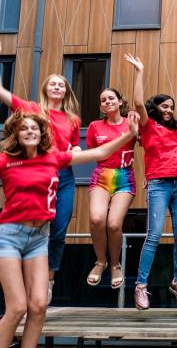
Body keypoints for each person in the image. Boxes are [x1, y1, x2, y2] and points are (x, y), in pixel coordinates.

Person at [0, 110, 137, 348]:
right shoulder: (6, 160)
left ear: (42, 133)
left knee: (39, 305)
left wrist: (130, 135)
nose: (30, 131)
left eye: (34, 128)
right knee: (18, 306)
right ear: (16, 134)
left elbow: (101, 152)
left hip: (39, 238)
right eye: (24, 128)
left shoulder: (53, 158)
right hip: (10, 235)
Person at [125, 53, 177, 310]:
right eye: (165, 106)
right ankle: (140, 286)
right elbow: (138, 101)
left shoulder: (173, 130)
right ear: (156, 109)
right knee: (154, 235)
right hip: (159, 184)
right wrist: (140, 71)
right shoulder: (148, 126)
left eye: (172, 106)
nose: (169, 110)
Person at [0, 47, 80, 303]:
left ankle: (49, 280)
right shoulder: (33, 109)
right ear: (46, 88)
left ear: (66, 91)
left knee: (58, 230)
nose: (57, 87)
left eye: (61, 85)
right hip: (36, 176)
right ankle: (29, 284)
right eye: (53, 84)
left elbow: (75, 145)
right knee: (37, 227)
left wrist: (76, 149)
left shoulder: (73, 118)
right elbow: (6, 97)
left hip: (64, 176)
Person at [85, 88, 137, 289]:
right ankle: (101, 261)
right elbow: (93, 152)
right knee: (97, 219)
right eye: (103, 100)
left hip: (124, 177)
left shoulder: (130, 122)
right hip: (102, 175)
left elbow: (150, 144)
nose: (107, 101)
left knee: (114, 224)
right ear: (100, 106)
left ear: (120, 101)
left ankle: (115, 264)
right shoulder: (95, 126)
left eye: (111, 98)